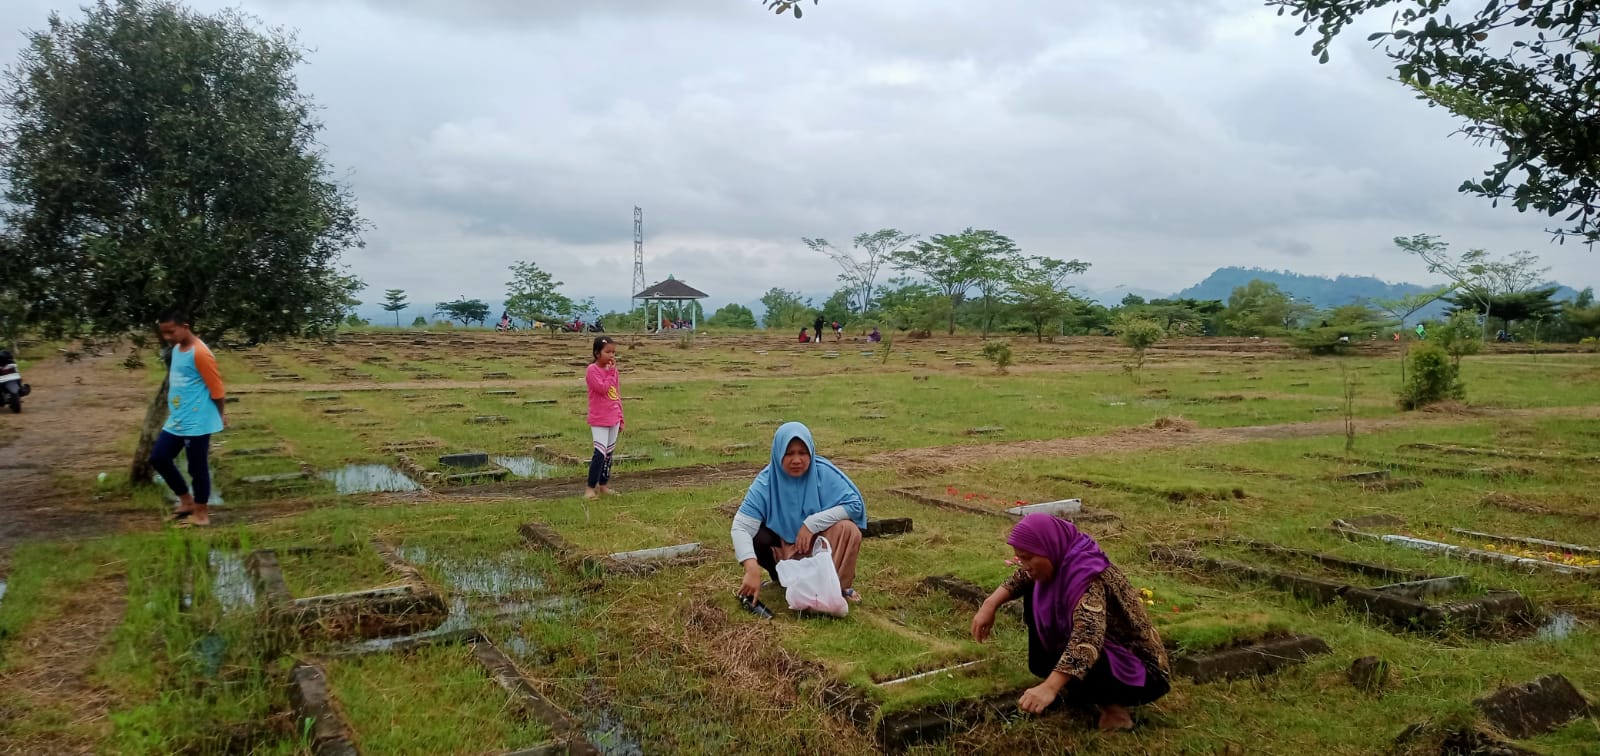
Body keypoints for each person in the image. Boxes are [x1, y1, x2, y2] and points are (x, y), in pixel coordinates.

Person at [971, 514, 1170, 731]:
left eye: (1028, 558)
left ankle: (1114, 711)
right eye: (1020, 559)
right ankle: (1075, 686)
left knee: (1080, 645)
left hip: (1141, 672)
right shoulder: (1060, 555)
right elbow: (1021, 578)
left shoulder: (1087, 576)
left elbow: (1088, 639)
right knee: (1034, 591)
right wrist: (989, 605)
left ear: (1049, 547)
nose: (1025, 566)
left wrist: (1049, 687)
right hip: (1107, 655)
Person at [732, 422, 867, 604]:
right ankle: (781, 579)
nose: (797, 460)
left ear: (811, 452)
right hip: (785, 544)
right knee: (756, 535)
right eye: (789, 453)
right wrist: (751, 568)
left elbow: (855, 505)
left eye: (802, 453)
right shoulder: (766, 481)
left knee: (848, 529)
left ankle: (838, 587)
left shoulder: (823, 473)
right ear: (778, 453)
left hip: (819, 543)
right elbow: (741, 526)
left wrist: (811, 524)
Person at [150, 309, 227, 527]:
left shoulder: (201, 353)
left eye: (171, 332)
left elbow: (218, 391)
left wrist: (220, 415)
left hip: (198, 421)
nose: (167, 337)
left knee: (197, 467)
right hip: (178, 419)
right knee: (159, 457)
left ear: (185, 326)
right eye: (164, 333)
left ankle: (201, 514)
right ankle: (186, 501)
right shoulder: (176, 349)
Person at [584, 336, 623, 500]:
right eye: (607, 352)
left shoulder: (614, 371)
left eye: (613, 352)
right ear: (597, 353)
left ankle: (604, 485)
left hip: (613, 416)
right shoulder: (592, 370)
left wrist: (621, 417)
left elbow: (616, 394)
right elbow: (602, 388)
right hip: (600, 418)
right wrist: (609, 372)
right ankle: (589, 489)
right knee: (599, 454)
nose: (611, 355)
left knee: (608, 455)